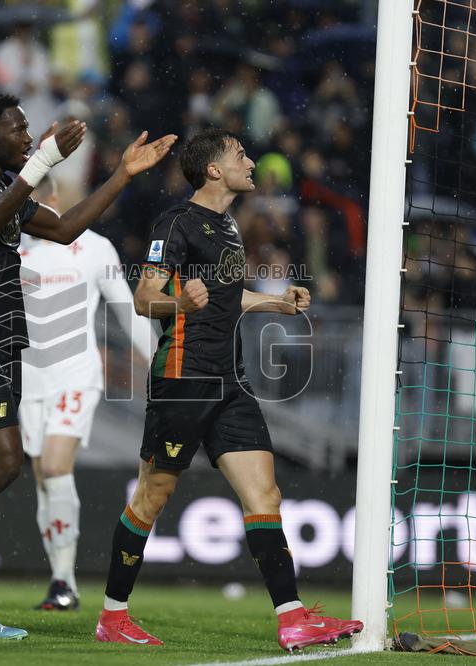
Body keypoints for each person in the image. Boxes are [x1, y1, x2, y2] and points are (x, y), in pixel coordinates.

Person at [0, 91, 176, 640]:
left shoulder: (8, 191)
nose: (29, 137)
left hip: (1, 341)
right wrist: (43, 161)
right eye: (19, 130)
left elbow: (67, 230)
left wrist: (121, 176)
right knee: (6, 463)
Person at [93, 128, 364, 651]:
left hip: (231, 381)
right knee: (153, 494)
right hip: (183, 377)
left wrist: (274, 303)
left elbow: (225, 296)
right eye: (239, 154)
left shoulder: (229, 227)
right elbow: (145, 298)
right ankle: (113, 615)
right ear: (213, 170)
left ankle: (291, 618)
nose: (249, 160)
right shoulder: (174, 224)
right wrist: (182, 305)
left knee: (265, 494)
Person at [18, 178, 157, 611]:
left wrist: (159, 361)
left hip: (76, 375)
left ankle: (63, 583)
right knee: (44, 478)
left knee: (57, 467)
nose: (31, 204)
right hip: (27, 381)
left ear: (55, 197)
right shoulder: (14, 250)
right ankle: (63, 580)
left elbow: (127, 308)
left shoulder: (95, 247)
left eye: (39, 194)